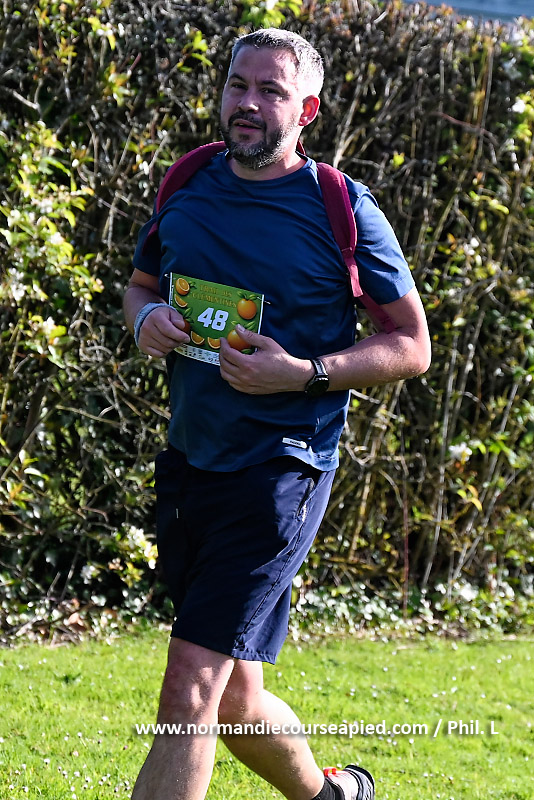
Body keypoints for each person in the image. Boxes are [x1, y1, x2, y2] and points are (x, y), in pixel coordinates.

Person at [123, 27, 431, 800]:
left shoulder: (341, 208)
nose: (248, 104)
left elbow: (411, 345)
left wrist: (305, 373)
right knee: (234, 699)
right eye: (238, 85)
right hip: (191, 460)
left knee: (189, 688)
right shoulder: (187, 181)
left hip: (282, 471)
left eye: (271, 91)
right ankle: (334, 796)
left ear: (307, 110)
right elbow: (140, 285)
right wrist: (145, 319)